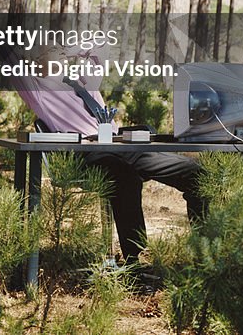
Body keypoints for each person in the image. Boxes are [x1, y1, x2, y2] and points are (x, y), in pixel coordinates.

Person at [16, 52, 204, 265]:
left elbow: (99, 53)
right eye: (51, 48)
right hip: (87, 155)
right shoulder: (36, 89)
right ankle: (136, 262)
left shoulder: (80, 81)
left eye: (60, 48)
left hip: (120, 145)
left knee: (195, 172)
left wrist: (83, 51)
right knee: (125, 178)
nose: (60, 52)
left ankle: (207, 253)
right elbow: (9, 58)